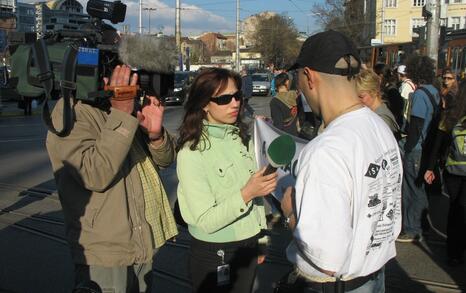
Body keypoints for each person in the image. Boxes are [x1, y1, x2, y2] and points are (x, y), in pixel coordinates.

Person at [278, 30, 402, 293]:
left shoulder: (326, 150)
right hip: (373, 276)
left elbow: (325, 259)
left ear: (309, 77)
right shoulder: (379, 126)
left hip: (339, 286)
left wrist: (290, 211)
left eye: (297, 77)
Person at [46, 65, 179, 292]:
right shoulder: (69, 111)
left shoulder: (121, 105)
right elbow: (95, 174)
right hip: (105, 254)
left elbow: (165, 161)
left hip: (140, 244)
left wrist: (156, 136)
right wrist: (121, 114)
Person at [176, 68, 277, 293]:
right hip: (216, 253)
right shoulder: (191, 152)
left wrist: (261, 242)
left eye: (237, 96)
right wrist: (247, 193)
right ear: (204, 104)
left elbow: (259, 204)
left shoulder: (242, 139)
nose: (234, 103)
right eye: (224, 99)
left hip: (249, 245)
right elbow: (205, 220)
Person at [396, 55, 441, 243]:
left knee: (412, 189)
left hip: (416, 148)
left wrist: (407, 146)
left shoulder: (420, 95)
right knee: (420, 188)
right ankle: (422, 225)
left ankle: (412, 228)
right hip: (428, 146)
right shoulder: (434, 91)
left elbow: (415, 125)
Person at [424, 80, 466, 266]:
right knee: (463, 210)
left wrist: (430, 167)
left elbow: (437, 144)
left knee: (455, 209)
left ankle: (453, 252)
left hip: (453, 170)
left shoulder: (451, 116)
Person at [355, 69, 400, 137]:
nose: (358, 100)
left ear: (374, 92)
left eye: (361, 96)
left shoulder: (382, 119)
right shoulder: (373, 113)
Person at [270, 72, 299, 137]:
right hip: (298, 135)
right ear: (287, 82)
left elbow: (278, 124)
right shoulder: (297, 96)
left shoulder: (275, 101)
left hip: (285, 136)